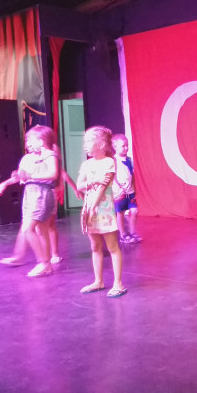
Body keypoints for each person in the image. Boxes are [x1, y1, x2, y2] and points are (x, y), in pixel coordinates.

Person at [0, 125, 58, 277]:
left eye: (31, 140)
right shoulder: (28, 158)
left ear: (41, 141)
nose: (28, 143)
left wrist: (31, 176)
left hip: (42, 193)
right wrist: (4, 184)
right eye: (27, 140)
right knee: (40, 230)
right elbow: (20, 177)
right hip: (30, 193)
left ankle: (43, 262)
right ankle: (46, 264)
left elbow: (53, 174)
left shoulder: (49, 155)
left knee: (28, 228)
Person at [76, 126, 127, 298]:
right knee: (95, 246)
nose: (85, 145)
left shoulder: (109, 162)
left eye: (89, 141)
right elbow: (79, 185)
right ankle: (98, 281)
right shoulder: (86, 164)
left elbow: (103, 187)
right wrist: (93, 181)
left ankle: (118, 283)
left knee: (112, 246)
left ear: (102, 144)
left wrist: (93, 207)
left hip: (103, 208)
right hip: (90, 206)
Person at [111, 134, 141, 244]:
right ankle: (123, 235)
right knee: (120, 213)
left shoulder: (129, 159)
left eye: (127, 145)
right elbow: (113, 176)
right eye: (123, 146)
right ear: (115, 147)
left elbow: (131, 175)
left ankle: (132, 232)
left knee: (134, 211)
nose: (126, 148)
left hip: (130, 191)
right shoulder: (114, 160)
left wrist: (134, 189)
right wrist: (119, 187)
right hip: (120, 192)